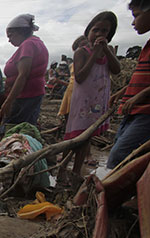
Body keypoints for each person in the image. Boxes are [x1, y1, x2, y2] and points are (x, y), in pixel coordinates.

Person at [107, 0, 150, 169]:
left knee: (120, 156)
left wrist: (142, 95)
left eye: (137, 16)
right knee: (122, 150)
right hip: (136, 110)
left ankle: (118, 193)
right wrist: (122, 93)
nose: (133, 22)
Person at [64, 11, 121, 174]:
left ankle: (75, 171)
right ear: (88, 31)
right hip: (83, 101)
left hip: (98, 101)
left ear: (109, 34)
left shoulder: (108, 50)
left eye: (104, 31)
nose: (99, 34)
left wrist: (107, 51)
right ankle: (65, 170)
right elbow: (80, 77)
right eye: (95, 30)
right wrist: (95, 54)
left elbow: (116, 70)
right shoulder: (81, 52)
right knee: (75, 136)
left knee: (87, 136)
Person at [0, 14, 49, 128]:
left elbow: (23, 75)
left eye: (10, 36)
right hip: (30, 95)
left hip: (25, 96)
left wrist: (8, 102)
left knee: (15, 129)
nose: (9, 40)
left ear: (21, 32)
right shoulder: (35, 43)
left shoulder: (28, 44)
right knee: (25, 128)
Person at [58, 36, 89, 120]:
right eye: (79, 46)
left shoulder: (90, 58)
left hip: (80, 87)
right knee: (69, 112)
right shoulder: (77, 58)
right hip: (71, 88)